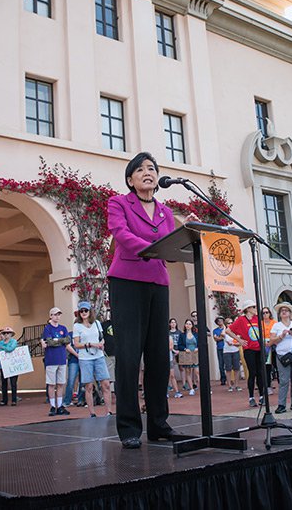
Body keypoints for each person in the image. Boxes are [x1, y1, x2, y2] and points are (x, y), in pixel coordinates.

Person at [107, 151, 178, 449]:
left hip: (157, 283)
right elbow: (120, 233)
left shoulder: (167, 213)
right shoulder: (118, 203)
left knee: (159, 356)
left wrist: (190, 234)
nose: (148, 172)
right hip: (127, 282)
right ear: (130, 179)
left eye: (152, 168)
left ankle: (159, 423)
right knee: (128, 356)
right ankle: (129, 428)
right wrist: (154, 247)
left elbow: (173, 245)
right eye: (140, 169)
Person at [73, 301, 112, 417]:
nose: (84, 313)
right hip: (85, 358)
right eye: (81, 311)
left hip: (99, 356)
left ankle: (108, 411)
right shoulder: (77, 326)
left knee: (106, 384)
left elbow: (101, 338)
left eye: (86, 310)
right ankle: (92, 413)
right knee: (88, 386)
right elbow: (76, 344)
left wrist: (101, 343)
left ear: (90, 312)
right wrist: (90, 344)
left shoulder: (97, 323)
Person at [227, 300, 266, 408]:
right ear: (248, 309)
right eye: (253, 307)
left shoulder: (257, 319)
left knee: (260, 372)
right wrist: (239, 340)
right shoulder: (241, 320)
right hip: (249, 349)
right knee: (252, 372)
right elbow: (228, 331)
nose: (255, 308)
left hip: (259, 348)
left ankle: (262, 396)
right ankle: (251, 397)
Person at [269, 302, 292, 414]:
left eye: (286, 310)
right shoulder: (276, 326)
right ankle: (281, 404)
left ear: (290, 313)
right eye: (282, 310)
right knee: (283, 380)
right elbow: (271, 342)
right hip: (282, 355)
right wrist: (281, 336)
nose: (284, 312)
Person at [41, 306, 71, 417]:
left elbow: (68, 340)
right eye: (55, 314)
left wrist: (57, 340)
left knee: (60, 383)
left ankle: (60, 405)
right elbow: (49, 342)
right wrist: (60, 341)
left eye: (59, 314)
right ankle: (53, 406)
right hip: (51, 359)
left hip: (62, 358)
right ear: (51, 316)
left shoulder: (63, 327)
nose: (57, 317)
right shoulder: (47, 328)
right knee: (51, 384)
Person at [0, 327, 19, 406]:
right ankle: (4, 400)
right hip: (3, 365)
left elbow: (11, 349)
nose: (6, 335)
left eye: (8, 333)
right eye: (4, 333)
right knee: (3, 383)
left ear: (11, 334)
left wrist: (3, 348)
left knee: (13, 383)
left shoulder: (13, 341)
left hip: (12, 365)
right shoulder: (0, 343)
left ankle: (14, 400)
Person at [178, 319, 199, 396]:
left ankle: (203, 387)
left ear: (192, 325)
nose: (188, 325)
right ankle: (191, 389)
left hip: (195, 354)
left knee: (197, 371)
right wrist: (184, 349)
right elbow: (179, 345)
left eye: (190, 324)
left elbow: (200, 342)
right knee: (188, 371)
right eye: (186, 324)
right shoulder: (182, 335)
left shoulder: (196, 334)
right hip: (186, 355)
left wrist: (197, 347)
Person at [260, 306, 277, 391]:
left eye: (267, 312)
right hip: (264, 345)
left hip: (274, 345)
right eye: (263, 313)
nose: (265, 314)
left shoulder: (274, 322)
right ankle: (268, 386)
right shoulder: (260, 323)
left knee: (277, 364)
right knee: (267, 367)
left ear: (270, 313)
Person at [221, 317, 240, 392]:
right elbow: (222, 334)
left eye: (232, 323)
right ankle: (229, 385)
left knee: (236, 368)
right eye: (229, 323)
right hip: (227, 352)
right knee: (228, 368)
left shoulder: (236, 331)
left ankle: (237, 385)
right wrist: (224, 327)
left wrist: (233, 344)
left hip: (235, 351)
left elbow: (239, 343)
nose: (230, 324)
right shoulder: (225, 332)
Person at [212, 317, 226, 386]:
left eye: (221, 320)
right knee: (221, 365)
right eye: (218, 321)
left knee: (228, 364)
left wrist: (220, 337)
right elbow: (216, 339)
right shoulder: (215, 330)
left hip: (227, 348)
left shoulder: (226, 329)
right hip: (220, 348)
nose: (220, 322)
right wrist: (222, 337)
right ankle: (223, 379)